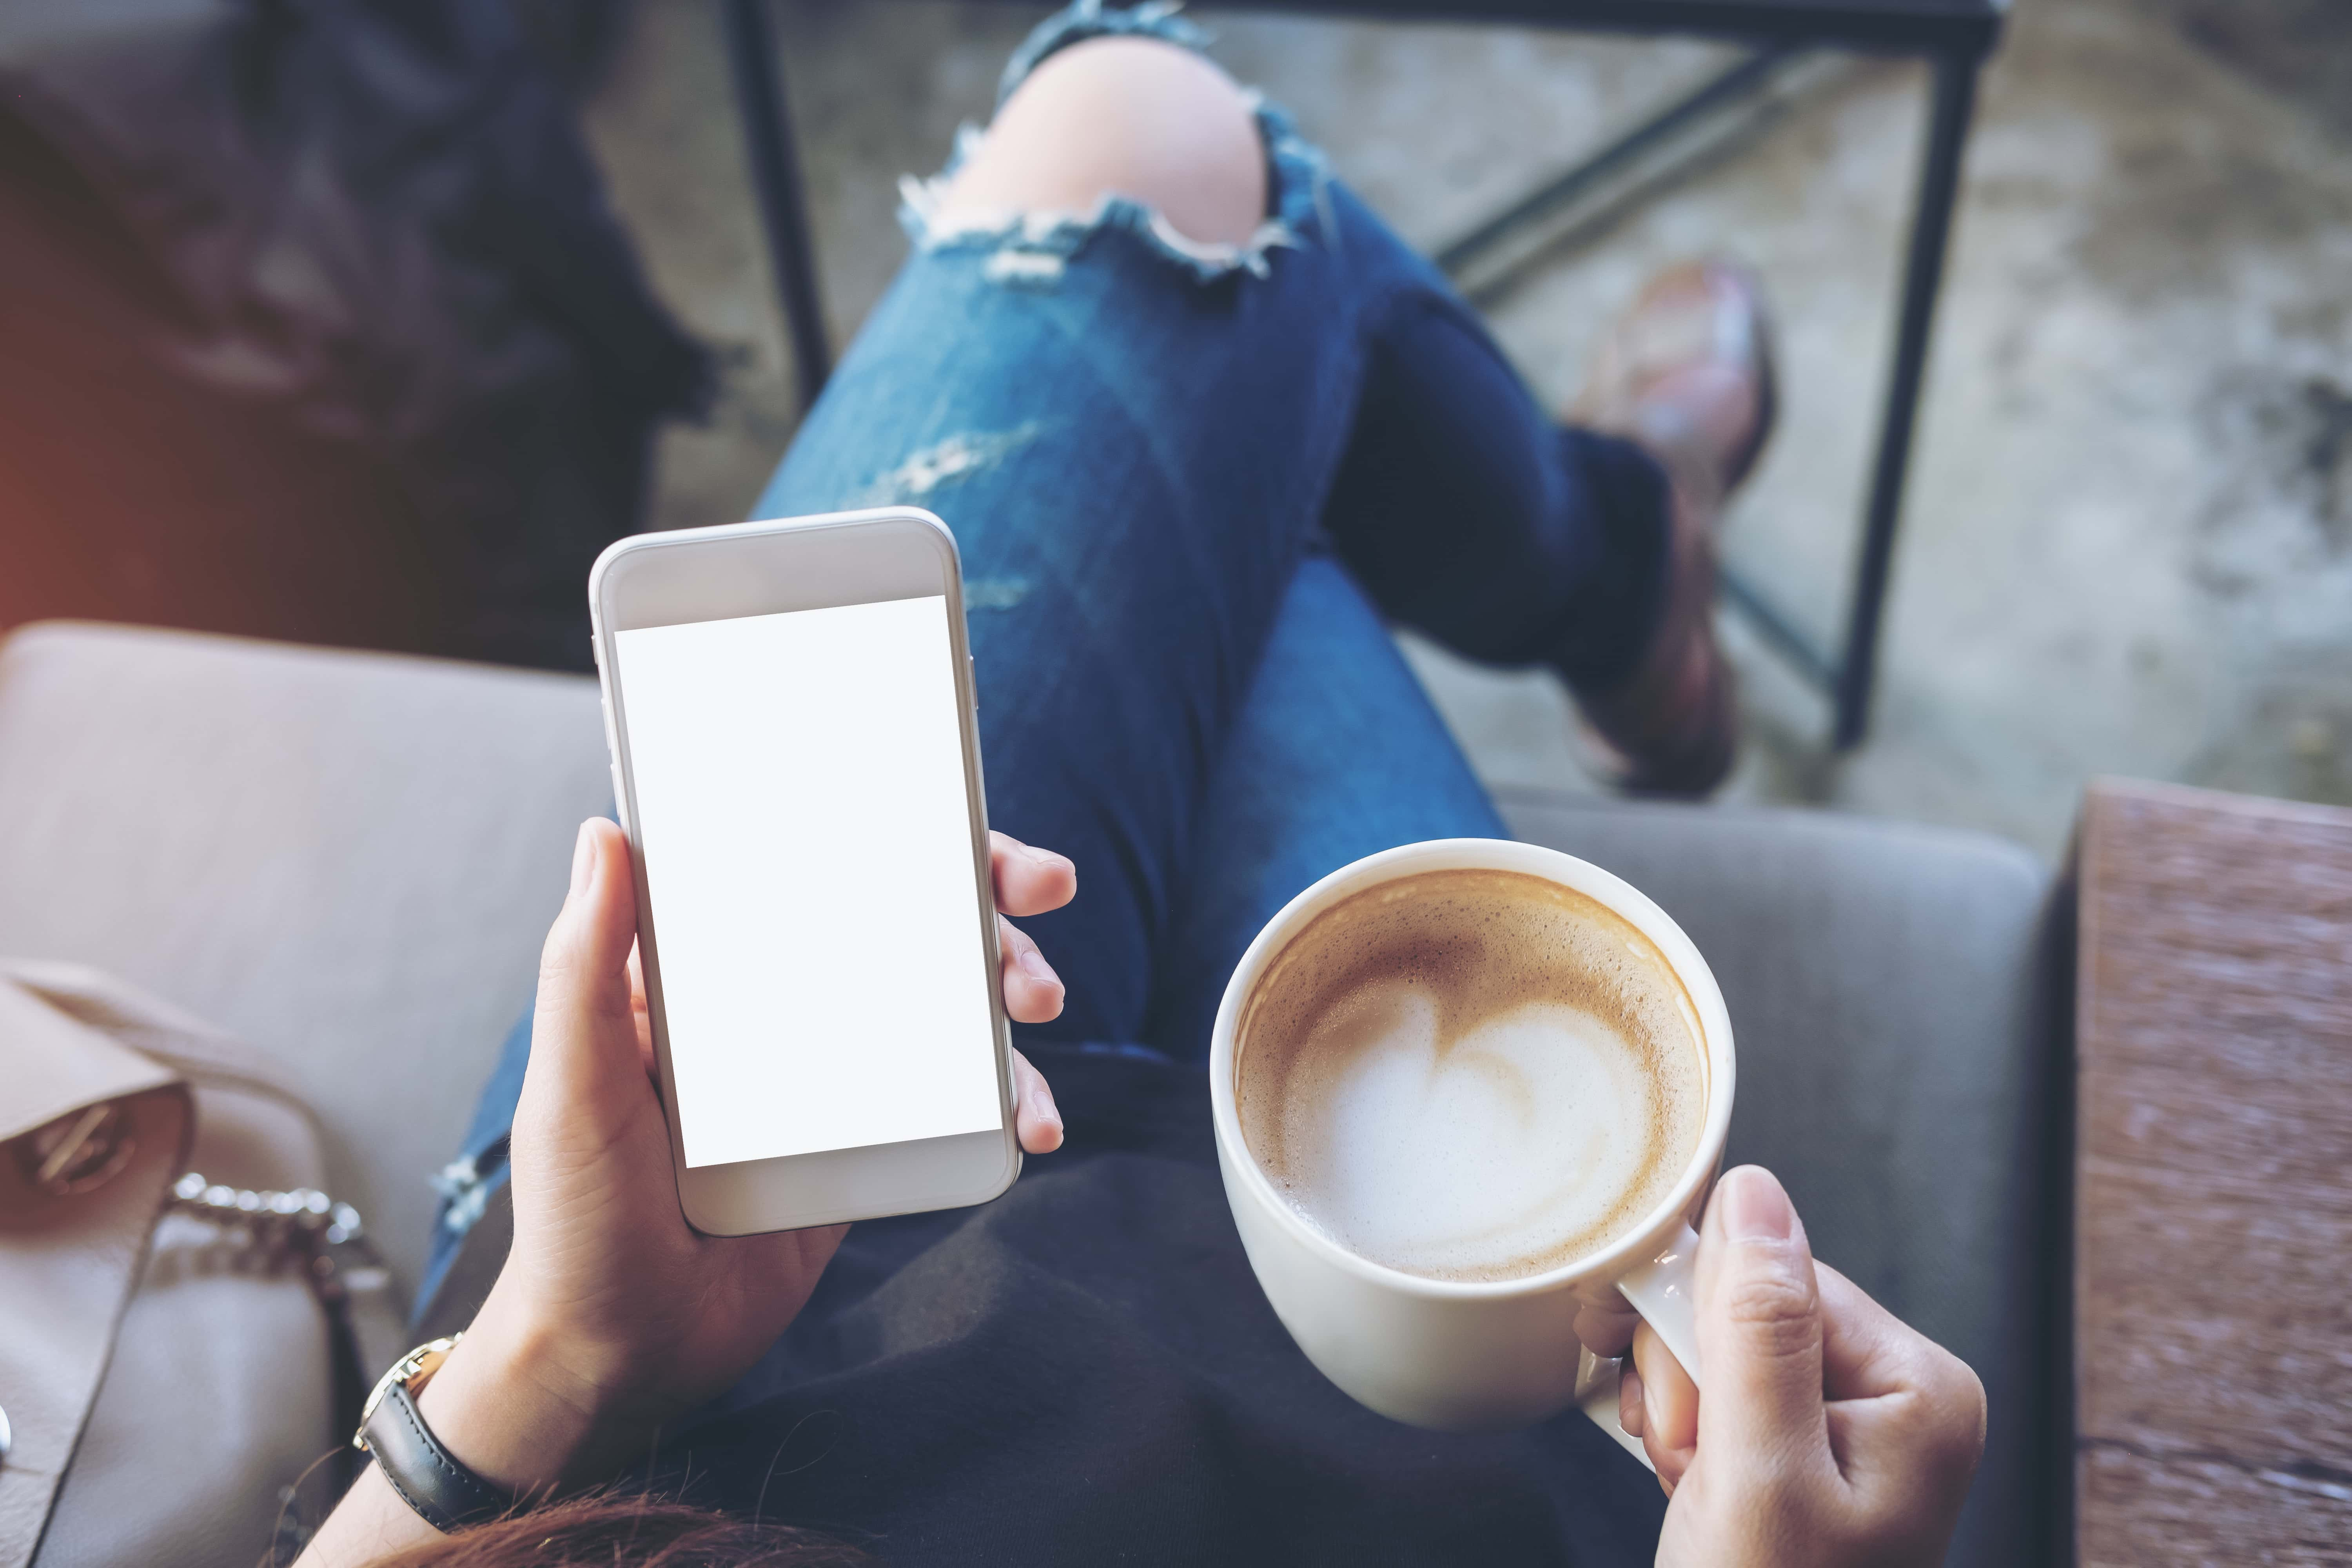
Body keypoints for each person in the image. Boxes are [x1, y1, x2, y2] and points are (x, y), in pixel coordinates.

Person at [297, 9, 1984, 1564]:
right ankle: (1624, 564)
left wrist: (551, 1357)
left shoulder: (590, 1342)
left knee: (1147, 159)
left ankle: (1618, 563)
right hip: (1394, 1463)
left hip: (662, 1347)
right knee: (1230, 367)